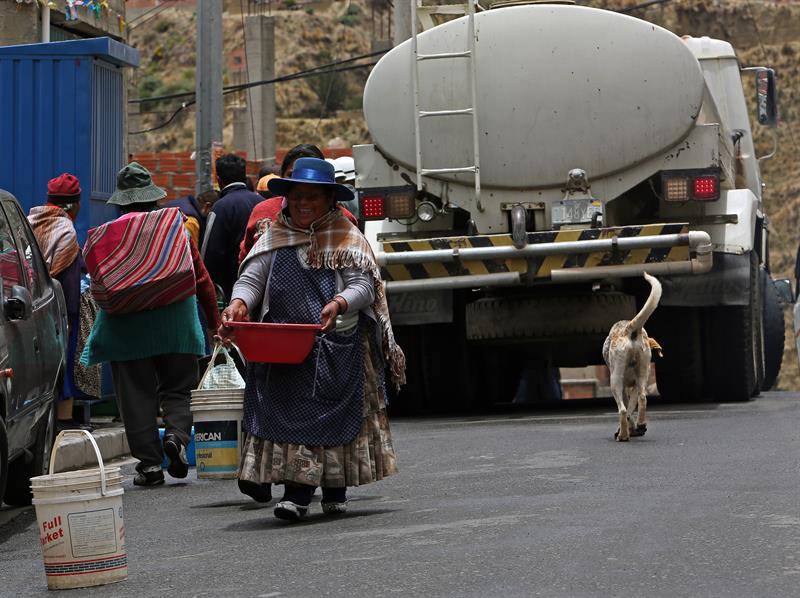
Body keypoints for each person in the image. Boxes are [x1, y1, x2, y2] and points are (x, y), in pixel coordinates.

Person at [218, 157, 405, 521]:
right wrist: (239, 303)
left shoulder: (347, 238)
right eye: (297, 197)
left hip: (336, 345)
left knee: (336, 417)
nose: (303, 204)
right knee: (291, 416)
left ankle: (335, 488)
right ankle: (298, 492)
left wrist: (339, 302)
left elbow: (364, 285)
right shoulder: (274, 235)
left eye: (312, 198)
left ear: (330, 201)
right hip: (284, 348)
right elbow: (253, 279)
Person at [81, 162, 222, 487]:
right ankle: (176, 438)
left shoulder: (111, 234)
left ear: (122, 201)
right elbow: (201, 280)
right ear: (152, 196)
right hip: (177, 323)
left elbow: (97, 284)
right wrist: (214, 322)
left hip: (127, 329)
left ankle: (149, 466)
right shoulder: (176, 228)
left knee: (137, 396)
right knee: (180, 388)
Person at [27, 173, 91, 432]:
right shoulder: (65, 229)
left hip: (28, 304)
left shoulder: (29, 221)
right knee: (63, 359)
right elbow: (67, 274)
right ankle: (64, 419)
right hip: (60, 307)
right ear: (73, 204)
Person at [238, 144, 357, 263]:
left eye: (313, 196)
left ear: (328, 194)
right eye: (292, 175)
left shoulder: (344, 221)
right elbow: (247, 259)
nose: (301, 182)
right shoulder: (262, 212)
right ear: (282, 176)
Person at [201, 153, 264, 302]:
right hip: (262, 282)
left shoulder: (220, 207)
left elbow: (211, 251)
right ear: (244, 176)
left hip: (233, 288)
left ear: (219, 180)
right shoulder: (261, 201)